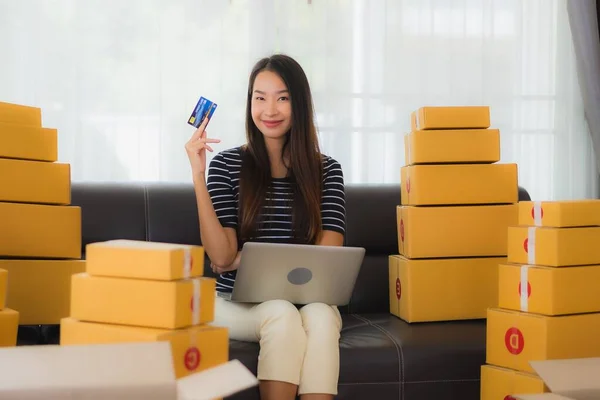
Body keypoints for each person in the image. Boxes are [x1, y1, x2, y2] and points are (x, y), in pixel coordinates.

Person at [185, 54, 346, 400]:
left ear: (299, 104)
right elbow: (221, 254)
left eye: (282, 98)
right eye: (260, 98)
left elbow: (329, 255)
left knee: (320, 316)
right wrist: (198, 173)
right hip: (232, 301)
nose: (269, 110)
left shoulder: (327, 171)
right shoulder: (226, 165)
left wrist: (246, 258)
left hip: (308, 300)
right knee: (281, 313)